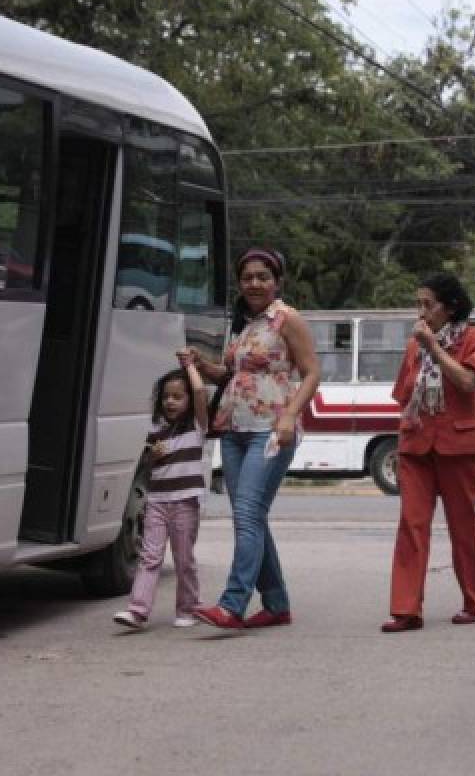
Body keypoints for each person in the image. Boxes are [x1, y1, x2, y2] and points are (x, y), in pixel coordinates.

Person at [189, 248, 321, 629]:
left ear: (277, 281)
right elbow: (229, 375)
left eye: (263, 276)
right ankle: (277, 603)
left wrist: (290, 415)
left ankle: (233, 603)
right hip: (233, 429)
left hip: (271, 428)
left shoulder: (287, 319)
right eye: (247, 278)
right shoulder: (244, 323)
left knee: (247, 514)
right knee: (251, 517)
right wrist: (201, 364)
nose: (254, 284)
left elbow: (312, 372)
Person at [382, 273, 475, 633]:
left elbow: (468, 383)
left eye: (427, 305)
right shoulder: (415, 345)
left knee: (463, 527)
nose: (421, 311)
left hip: (459, 446)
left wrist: (434, 349)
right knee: (411, 526)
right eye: (418, 304)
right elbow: (402, 394)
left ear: (450, 307)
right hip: (416, 445)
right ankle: (406, 609)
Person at [113, 361, 209, 630]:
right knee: (149, 557)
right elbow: (147, 467)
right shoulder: (155, 429)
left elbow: (201, 391)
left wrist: (189, 366)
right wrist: (152, 457)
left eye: (178, 396)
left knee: (183, 558)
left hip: (185, 502)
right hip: (157, 502)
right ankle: (137, 610)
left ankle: (188, 608)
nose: (170, 402)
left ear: (189, 400)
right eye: (166, 396)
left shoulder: (197, 427)